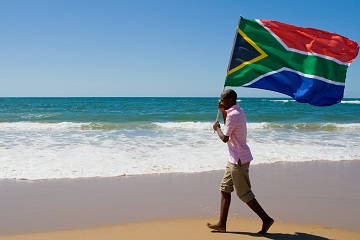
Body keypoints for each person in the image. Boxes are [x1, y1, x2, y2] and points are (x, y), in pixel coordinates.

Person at [207, 89, 274, 234]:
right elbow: (229, 125)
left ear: (230, 100)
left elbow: (225, 138)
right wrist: (223, 110)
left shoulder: (234, 115)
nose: (221, 102)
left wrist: (217, 128)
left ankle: (266, 219)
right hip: (233, 158)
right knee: (225, 188)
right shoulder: (236, 111)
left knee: (244, 193)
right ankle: (222, 224)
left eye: (223, 100)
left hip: (238, 160)